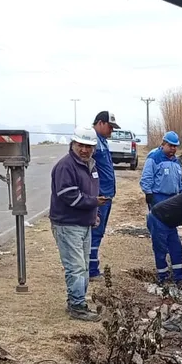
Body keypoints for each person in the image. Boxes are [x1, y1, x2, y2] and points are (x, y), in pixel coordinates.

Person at [49, 127, 108, 322]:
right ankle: (77, 306)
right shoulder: (66, 166)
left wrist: (95, 213)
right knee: (75, 267)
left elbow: (92, 193)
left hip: (83, 224)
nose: (84, 150)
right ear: (73, 144)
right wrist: (93, 204)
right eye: (81, 145)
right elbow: (68, 196)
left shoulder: (90, 166)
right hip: (67, 224)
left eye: (88, 146)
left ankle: (77, 301)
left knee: (82, 266)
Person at [89, 110, 119, 279]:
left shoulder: (102, 141)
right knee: (95, 231)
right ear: (100, 123)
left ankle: (92, 266)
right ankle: (92, 269)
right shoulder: (92, 142)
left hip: (106, 195)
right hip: (99, 196)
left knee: (99, 232)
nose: (111, 131)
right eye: (110, 126)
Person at [139, 130, 182, 210]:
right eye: (170, 145)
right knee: (158, 221)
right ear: (163, 144)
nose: (173, 148)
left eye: (175, 146)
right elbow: (147, 177)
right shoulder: (154, 158)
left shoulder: (176, 161)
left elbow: (180, 181)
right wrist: (148, 193)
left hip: (173, 198)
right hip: (158, 198)